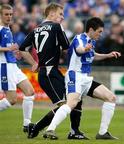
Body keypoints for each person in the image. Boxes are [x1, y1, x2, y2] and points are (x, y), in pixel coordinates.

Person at [43, 17, 121, 140]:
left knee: (111, 97)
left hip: (85, 78)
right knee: (72, 103)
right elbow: (79, 50)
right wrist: (85, 49)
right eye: (99, 31)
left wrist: (108, 55)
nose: (100, 34)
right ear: (91, 29)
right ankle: (50, 130)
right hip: (75, 75)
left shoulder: (91, 41)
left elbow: (92, 55)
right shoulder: (79, 38)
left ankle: (102, 133)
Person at [19, 2, 88, 140]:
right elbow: (66, 47)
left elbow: (22, 49)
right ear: (51, 13)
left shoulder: (36, 29)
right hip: (50, 72)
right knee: (65, 104)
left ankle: (75, 131)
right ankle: (37, 127)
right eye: (60, 14)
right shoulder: (56, 26)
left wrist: (34, 63)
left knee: (75, 99)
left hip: (49, 72)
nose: (62, 17)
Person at [0, 4, 35, 132]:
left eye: (10, 14)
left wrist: (15, 52)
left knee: (30, 92)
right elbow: (5, 48)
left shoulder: (7, 29)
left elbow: (9, 47)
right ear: (0, 14)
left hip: (13, 65)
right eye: (6, 14)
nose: (9, 17)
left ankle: (27, 125)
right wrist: (8, 49)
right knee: (12, 100)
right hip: (4, 66)